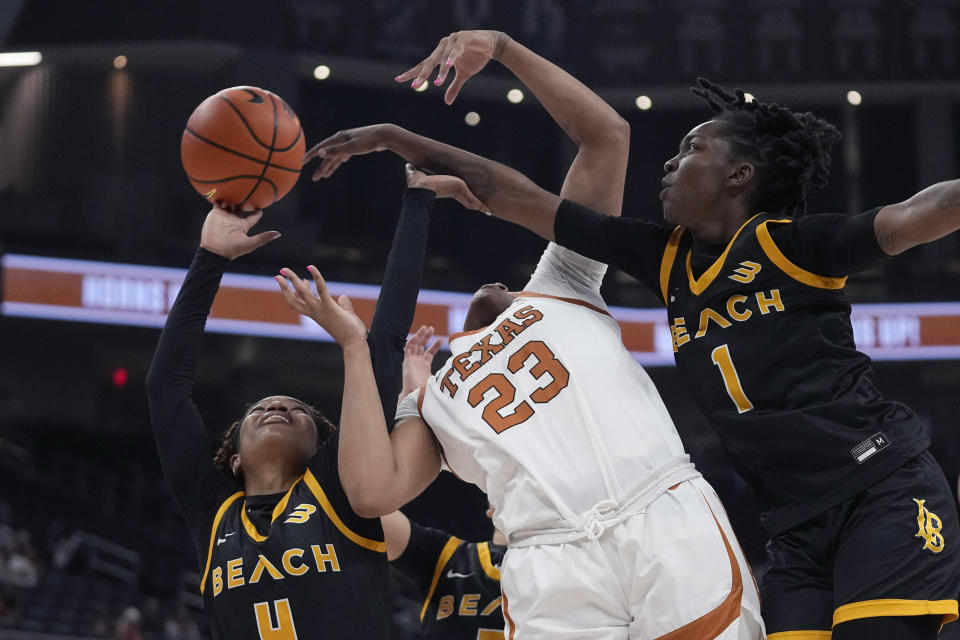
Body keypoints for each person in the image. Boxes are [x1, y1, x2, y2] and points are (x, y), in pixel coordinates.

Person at [307, 72, 960, 639]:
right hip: (784, 524)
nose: (670, 164)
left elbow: (907, 220)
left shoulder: (791, 246)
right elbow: (508, 195)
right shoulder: (664, 259)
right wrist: (397, 141)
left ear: (741, 174)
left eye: (692, 147)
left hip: (872, 485)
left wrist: (488, 60)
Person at [286, 30, 763, 638]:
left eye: (502, 285)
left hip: (658, 517)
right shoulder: (434, 397)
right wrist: (364, 356)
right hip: (547, 562)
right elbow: (372, 492)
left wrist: (504, 50)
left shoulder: (562, 281)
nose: (491, 287)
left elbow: (606, 136)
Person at [144, 168, 484, 638]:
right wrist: (209, 258)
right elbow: (165, 390)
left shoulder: (335, 488)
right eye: (259, 410)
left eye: (296, 411)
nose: (276, 408)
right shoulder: (213, 509)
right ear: (236, 459)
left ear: (321, 447)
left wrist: (417, 201)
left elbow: (381, 346)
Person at [382, 326, 507, 640]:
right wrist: (409, 414)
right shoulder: (446, 557)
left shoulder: (572, 561)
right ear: (491, 504)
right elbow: (369, 507)